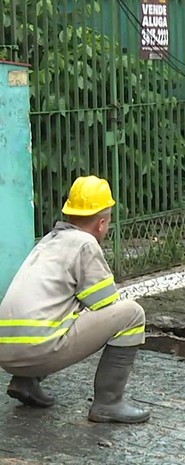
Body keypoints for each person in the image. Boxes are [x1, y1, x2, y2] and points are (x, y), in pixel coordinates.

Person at [0, 175, 150, 424]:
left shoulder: (49, 241)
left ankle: (25, 381)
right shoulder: (84, 244)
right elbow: (106, 304)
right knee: (132, 314)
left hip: (5, 350)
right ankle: (108, 403)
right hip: (36, 350)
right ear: (102, 223)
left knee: (54, 312)